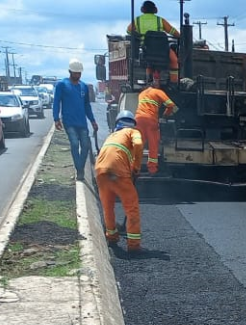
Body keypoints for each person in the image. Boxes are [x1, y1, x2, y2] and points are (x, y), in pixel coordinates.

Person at [95, 110, 144, 252]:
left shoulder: (111, 136)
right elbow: (139, 144)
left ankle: (112, 236)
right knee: (131, 208)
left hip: (100, 171)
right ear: (132, 123)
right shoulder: (132, 132)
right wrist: (136, 167)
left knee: (108, 207)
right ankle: (134, 245)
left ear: (117, 123)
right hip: (118, 173)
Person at [53, 59, 99, 181]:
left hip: (82, 122)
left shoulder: (83, 86)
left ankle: (80, 168)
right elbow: (56, 102)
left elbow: (87, 106)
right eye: (75, 73)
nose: (77, 75)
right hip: (69, 122)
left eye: (79, 73)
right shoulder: (62, 85)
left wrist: (93, 121)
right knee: (74, 143)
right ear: (70, 72)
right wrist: (56, 119)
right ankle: (80, 170)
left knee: (85, 146)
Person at [127, 0, 180, 84]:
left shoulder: (137, 20)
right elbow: (174, 32)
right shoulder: (160, 20)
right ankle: (174, 82)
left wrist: (138, 34)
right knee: (174, 60)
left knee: (148, 63)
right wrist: (179, 36)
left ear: (142, 9)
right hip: (162, 49)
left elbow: (129, 30)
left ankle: (149, 79)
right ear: (155, 9)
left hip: (146, 49)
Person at [135, 79, 178, 174]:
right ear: (157, 86)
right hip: (151, 120)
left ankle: (134, 168)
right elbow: (171, 105)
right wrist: (166, 115)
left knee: (139, 144)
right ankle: (152, 169)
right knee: (153, 144)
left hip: (138, 119)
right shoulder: (158, 92)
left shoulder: (141, 93)